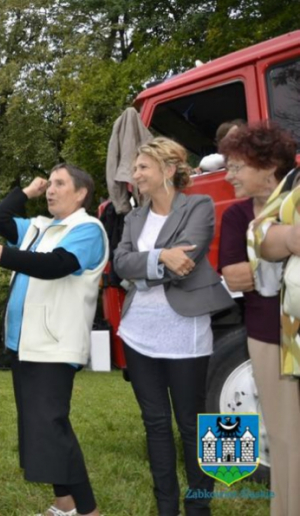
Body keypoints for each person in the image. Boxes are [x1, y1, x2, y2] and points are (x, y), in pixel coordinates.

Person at [0, 164, 107, 516]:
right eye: (50, 185)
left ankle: (87, 510)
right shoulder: (40, 227)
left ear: (81, 194)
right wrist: (27, 191)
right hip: (25, 343)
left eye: (61, 184)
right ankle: (64, 503)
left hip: (55, 344)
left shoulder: (87, 228)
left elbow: (56, 265)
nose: (52, 190)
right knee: (40, 426)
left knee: (52, 426)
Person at [113, 137, 233, 516]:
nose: (135, 174)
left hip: (185, 332)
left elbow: (187, 260)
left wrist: (144, 266)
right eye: (135, 168)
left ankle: (199, 507)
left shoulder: (199, 205)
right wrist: (160, 258)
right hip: (138, 332)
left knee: (193, 425)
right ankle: (166, 506)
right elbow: (120, 263)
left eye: (142, 167)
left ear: (167, 169)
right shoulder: (133, 217)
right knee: (155, 424)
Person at [223, 124, 300, 516]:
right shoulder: (239, 215)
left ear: (268, 167)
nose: (228, 175)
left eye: (237, 166)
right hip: (269, 334)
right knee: (284, 435)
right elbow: (235, 275)